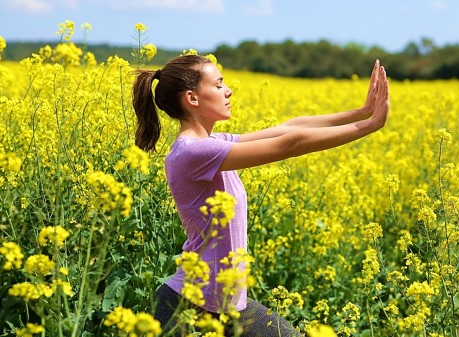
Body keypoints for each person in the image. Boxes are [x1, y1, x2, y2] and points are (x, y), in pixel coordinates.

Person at [132, 54, 389, 336]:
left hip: (229, 306)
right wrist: (370, 125)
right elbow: (291, 144)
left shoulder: (213, 142)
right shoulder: (193, 152)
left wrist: (362, 112)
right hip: (186, 307)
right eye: (218, 85)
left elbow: (289, 128)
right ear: (192, 98)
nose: (228, 90)